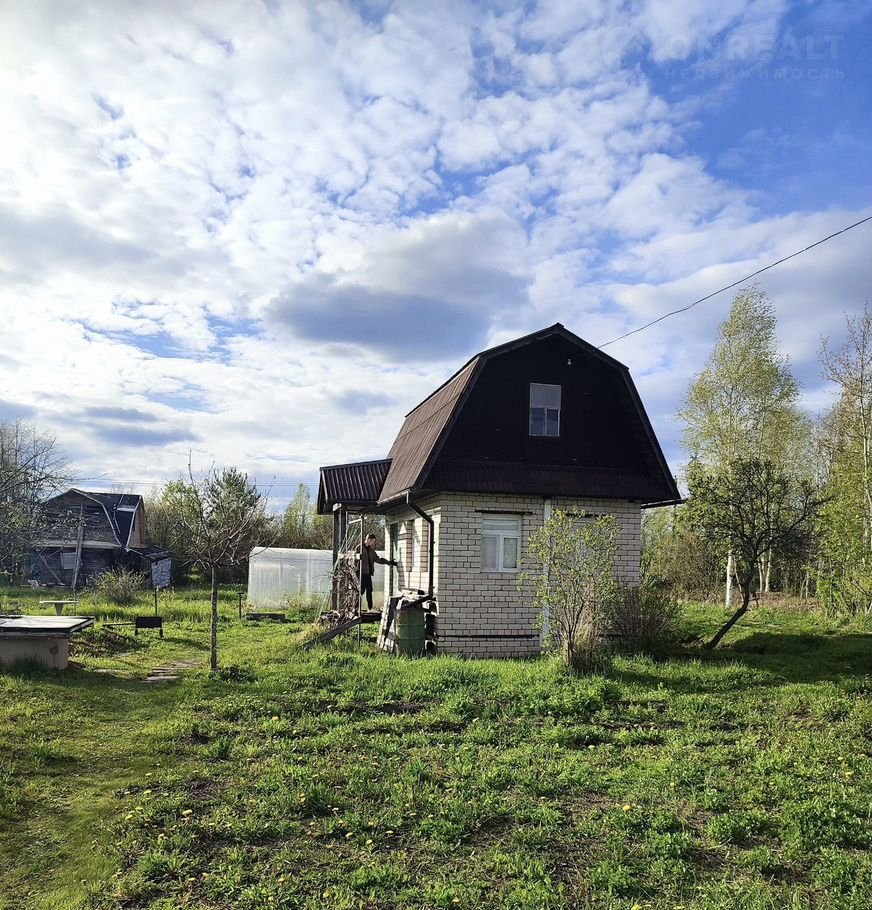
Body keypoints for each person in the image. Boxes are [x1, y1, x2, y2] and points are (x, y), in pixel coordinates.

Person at [357, 532, 395, 611]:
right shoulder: (359, 548)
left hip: (368, 573)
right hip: (361, 573)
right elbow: (355, 560)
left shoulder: (371, 550)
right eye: (373, 541)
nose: (373, 543)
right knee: (361, 591)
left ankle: (370, 608)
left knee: (369, 590)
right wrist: (356, 572)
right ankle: (356, 607)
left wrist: (388, 562)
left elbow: (378, 559)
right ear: (369, 540)